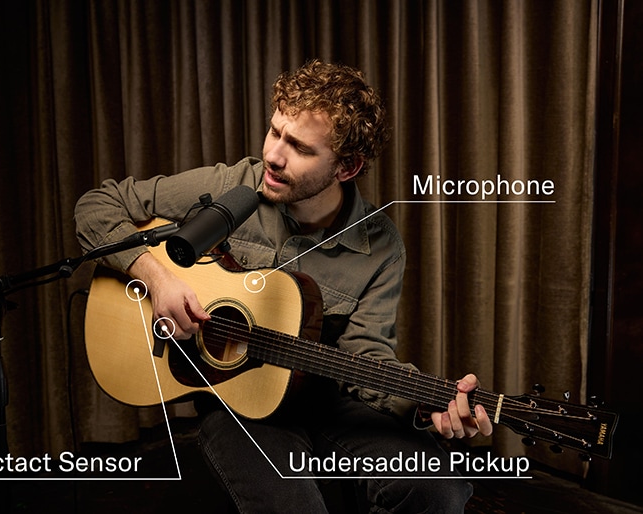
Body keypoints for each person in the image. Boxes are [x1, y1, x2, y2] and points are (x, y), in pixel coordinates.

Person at [74, 59, 492, 513]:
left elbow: (365, 356)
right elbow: (97, 205)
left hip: (328, 398)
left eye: (299, 147)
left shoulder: (381, 246)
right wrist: (158, 279)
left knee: (439, 490)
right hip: (238, 399)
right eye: (275, 132)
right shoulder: (230, 185)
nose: (273, 154)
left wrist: (423, 405)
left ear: (347, 167)